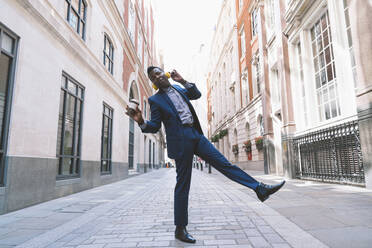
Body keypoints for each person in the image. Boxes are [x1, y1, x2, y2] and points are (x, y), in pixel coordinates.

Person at [125, 66, 285, 243]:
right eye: (154, 77)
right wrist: (140, 121)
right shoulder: (155, 100)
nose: (158, 76)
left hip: (196, 135)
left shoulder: (178, 88)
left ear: (165, 74)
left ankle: (259, 189)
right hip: (180, 141)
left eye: (159, 72)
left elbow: (197, 94)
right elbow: (154, 126)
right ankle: (180, 229)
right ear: (153, 82)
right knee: (183, 184)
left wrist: (183, 80)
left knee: (224, 164)